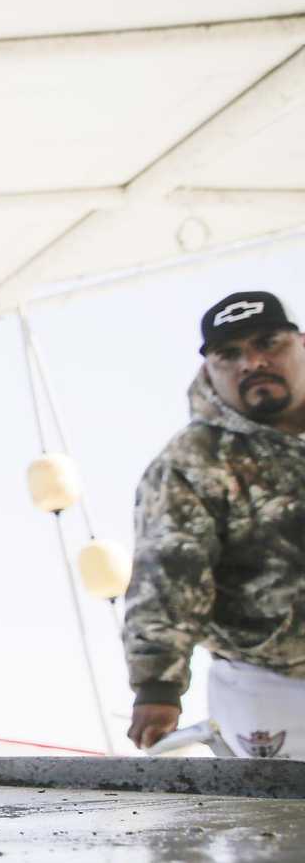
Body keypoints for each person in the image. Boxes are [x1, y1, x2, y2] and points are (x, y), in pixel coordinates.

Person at [124, 290, 305, 759]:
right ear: (210, 370)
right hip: (270, 685)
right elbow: (169, 573)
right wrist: (157, 687)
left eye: (269, 343)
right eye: (231, 355)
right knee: (282, 827)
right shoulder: (191, 461)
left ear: (300, 344)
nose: (253, 362)